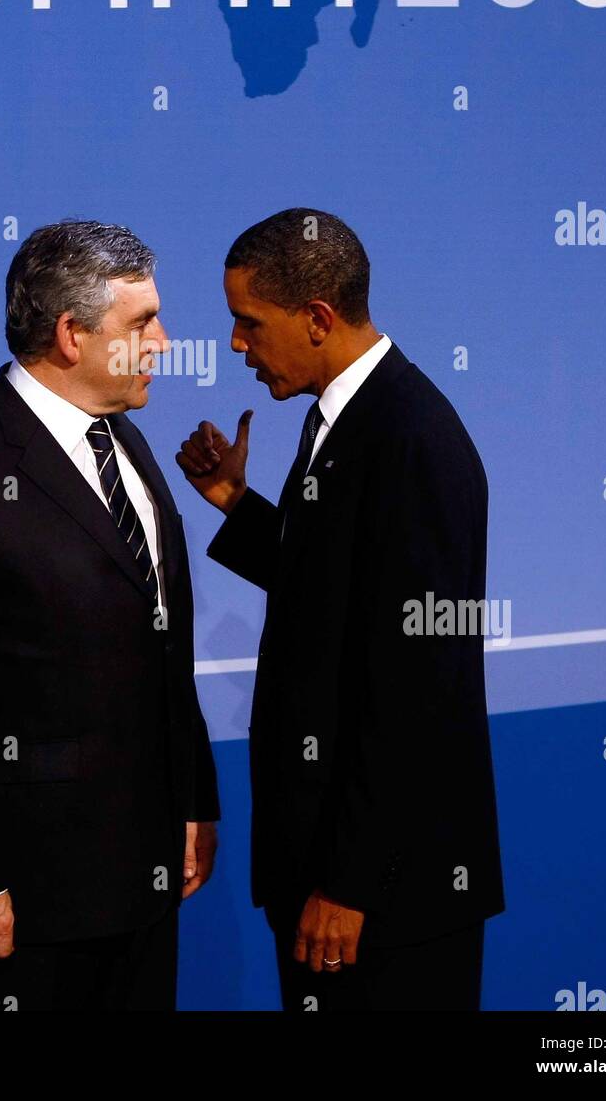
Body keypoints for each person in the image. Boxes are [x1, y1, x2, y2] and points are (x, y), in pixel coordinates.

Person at [0, 219, 219, 1011]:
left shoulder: (128, 444)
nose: (165, 343)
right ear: (71, 334)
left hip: (147, 881)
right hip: (31, 896)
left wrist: (193, 803)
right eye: (143, 323)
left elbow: (165, 651)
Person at [176, 208, 504, 1011]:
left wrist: (350, 885)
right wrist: (237, 505)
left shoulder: (412, 439)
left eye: (249, 323)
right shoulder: (345, 421)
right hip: (334, 878)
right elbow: (337, 596)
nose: (236, 346)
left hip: (383, 901)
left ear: (317, 319)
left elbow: (416, 688)